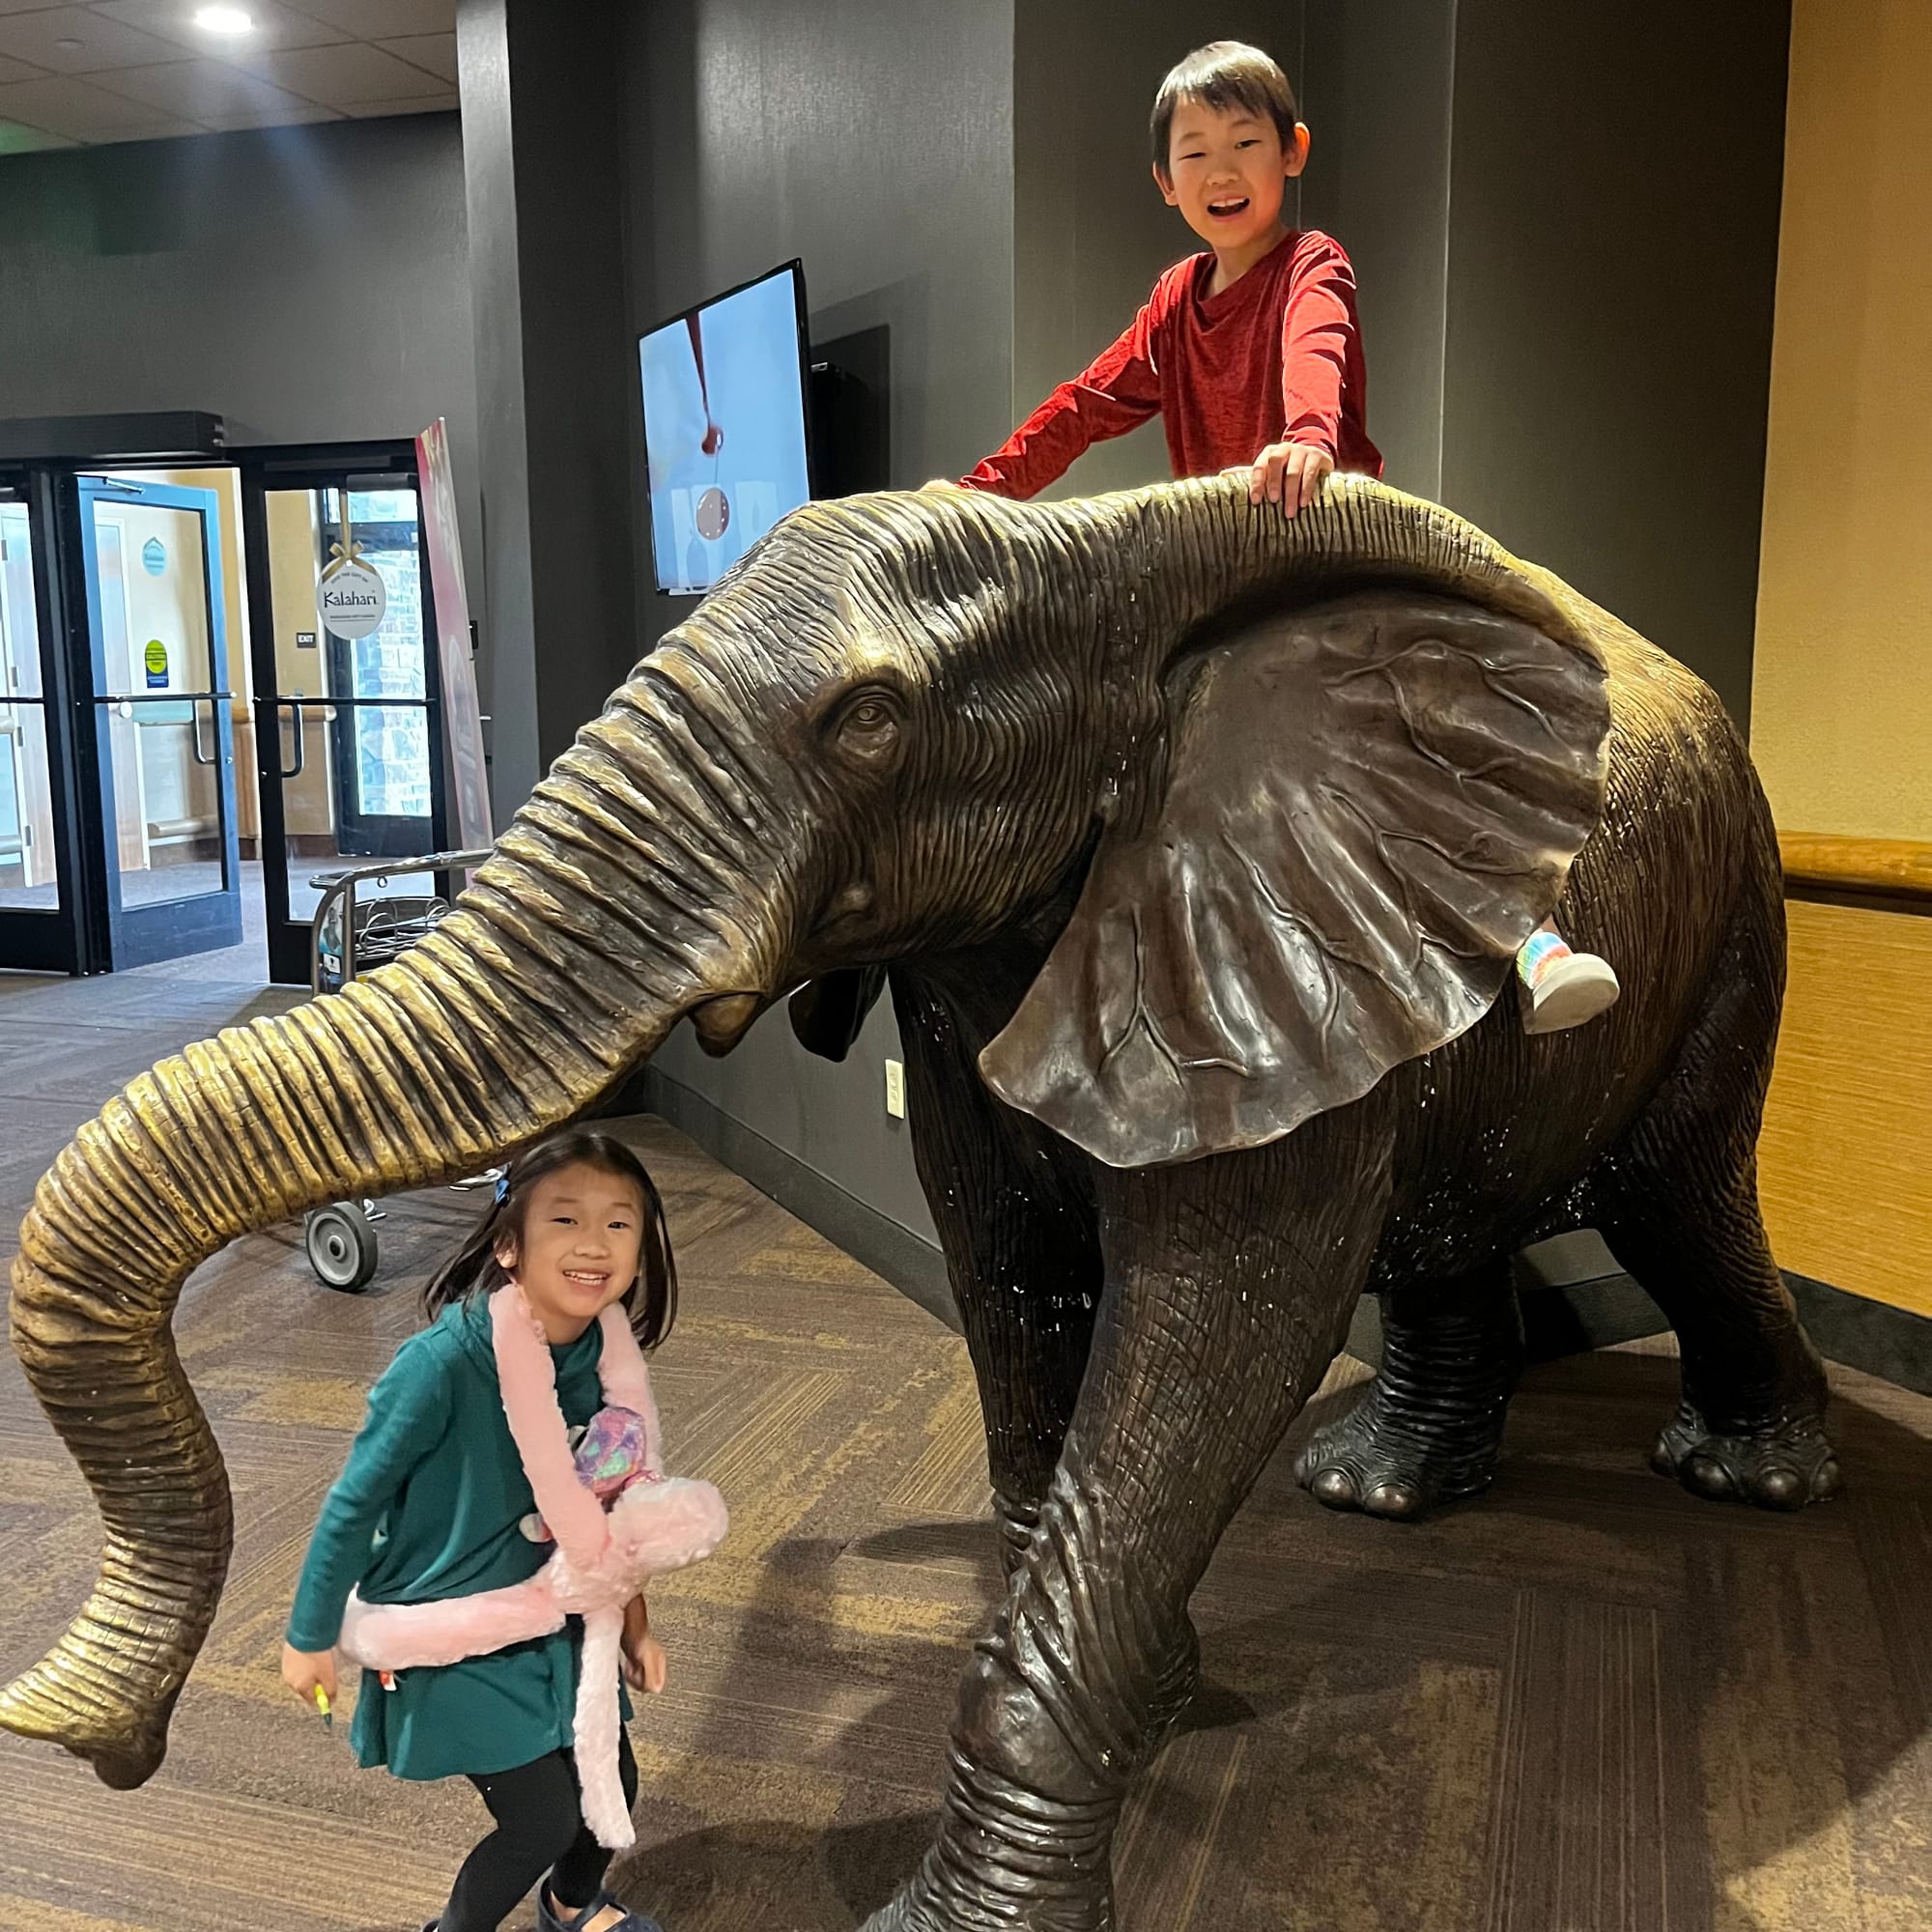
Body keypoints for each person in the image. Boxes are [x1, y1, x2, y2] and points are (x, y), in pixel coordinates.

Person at [949, 39, 1619, 1032]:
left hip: (1329, 554)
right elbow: (1084, 405)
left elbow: (1316, 346)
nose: (1220, 171)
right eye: (1194, 152)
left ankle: (1529, 936)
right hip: (1224, 575)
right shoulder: (1174, 302)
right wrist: (977, 495)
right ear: (1161, 181)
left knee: (1387, 730)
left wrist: (1307, 439)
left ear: (1291, 152)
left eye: (1243, 142)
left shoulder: (1313, 264)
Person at [281, 1130, 680, 1932]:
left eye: (618, 1223)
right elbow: (353, 1503)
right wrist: (309, 1633)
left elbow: (612, 1514)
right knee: (542, 1820)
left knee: (615, 1788)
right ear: (508, 1246)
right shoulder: (438, 1368)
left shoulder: (609, 1362)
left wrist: (636, 1623)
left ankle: (571, 1906)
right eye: (564, 1221)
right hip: (456, 1626)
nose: (593, 1245)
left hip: (562, 1622)